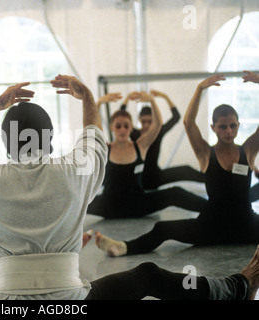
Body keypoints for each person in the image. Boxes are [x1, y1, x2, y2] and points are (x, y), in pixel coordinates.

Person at [0, 75, 259, 301]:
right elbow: (93, 137)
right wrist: (87, 96)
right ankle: (236, 289)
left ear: (4, 144)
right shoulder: (73, 172)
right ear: (52, 141)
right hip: (73, 303)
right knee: (148, 276)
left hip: (4, 304)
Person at [93, 71, 259, 257]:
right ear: (213, 128)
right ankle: (124, 247)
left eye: (232, 126)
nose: (228, 131)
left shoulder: (249, 150)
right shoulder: (205, 153)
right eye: (222, 126)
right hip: (211, 226)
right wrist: (199, 89)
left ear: (238, 125)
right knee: (162, 228)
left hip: (246, 224)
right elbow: (188, 123)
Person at [87, 91, 207, 219]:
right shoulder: (106, 148)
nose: (122, 129)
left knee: (175, 192)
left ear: (131, 127)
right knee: (77, 196)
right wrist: (98, 104)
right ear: (112, 127)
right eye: (118, 126)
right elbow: (91, 127)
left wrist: (152, 101)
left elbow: (157, 125)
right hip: (108, 206)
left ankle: (216, 208)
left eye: (126, 126)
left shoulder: (140, 146)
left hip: (138, 204)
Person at [110, 89, 205, 190]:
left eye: (149, 122)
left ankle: (212, 177)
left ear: (154, 121)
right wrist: (127, 98)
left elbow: (176, 117)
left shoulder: (158, 132)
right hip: (138, 178)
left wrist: (165, 96)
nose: (146, 125)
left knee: (186, 170)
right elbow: (121, 117)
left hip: (155, 176)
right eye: (143, 122)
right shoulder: (134, 134)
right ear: (139, 120)